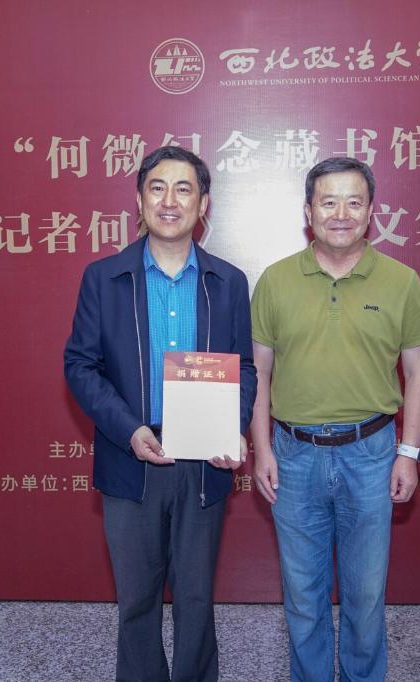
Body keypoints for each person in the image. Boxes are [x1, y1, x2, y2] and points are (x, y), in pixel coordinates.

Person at [64, 146, 256, 681]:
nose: (169, 201)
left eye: (184, 189)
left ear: (203, 204)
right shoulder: (104, 278)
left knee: (196, 597)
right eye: (157, 188)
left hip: (203, 461)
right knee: (136, 599)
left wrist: (233, 426)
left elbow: (244, 368)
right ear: (139, 200)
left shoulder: (228, 282)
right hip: (131, 457)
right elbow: (80, 365)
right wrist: (128, 430)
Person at [250, 157, 420, 681]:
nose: (341, 213)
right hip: (293, 454)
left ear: (371, 212)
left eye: (354, 202)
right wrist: (262, 450)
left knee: (366, 594)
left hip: (371, 454)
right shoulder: (275, 280)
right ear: (308, 211)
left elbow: (418, 372)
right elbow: (258, 373)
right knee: (302, 593)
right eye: (328, 202)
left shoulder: (401, 281)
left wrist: (408, 452)